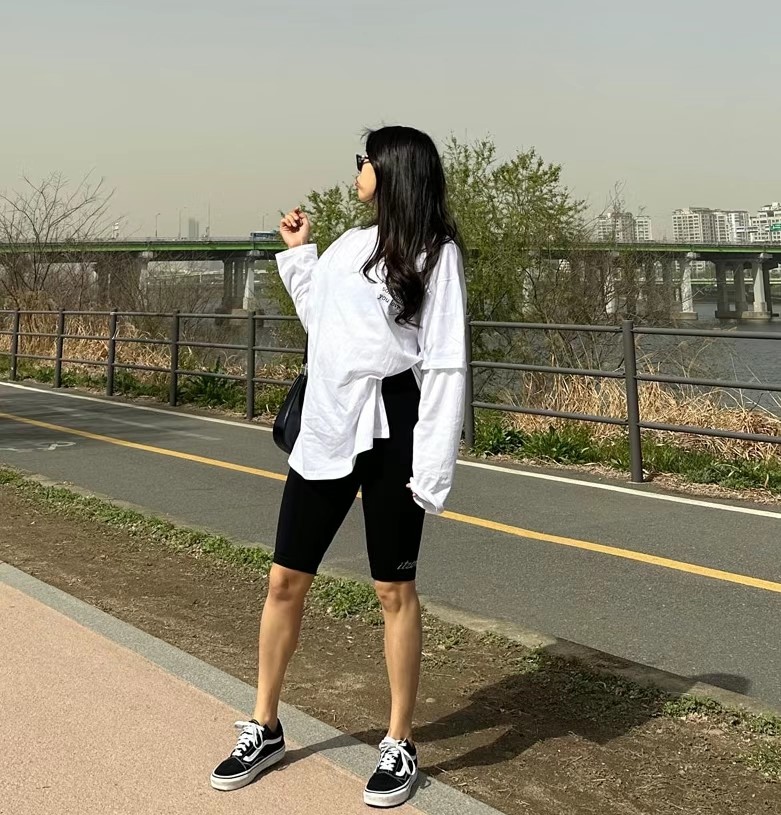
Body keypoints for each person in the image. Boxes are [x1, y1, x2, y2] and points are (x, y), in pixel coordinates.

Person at [210, 125, 467, 808]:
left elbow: (445, 362)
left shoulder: (435, 252)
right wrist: (300, 255)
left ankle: (400, 740)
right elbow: (321, 322)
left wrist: (432, 465)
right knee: (284, 579)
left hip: (395, 422)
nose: (356, 170)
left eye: (364, 160)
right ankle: (264, 724)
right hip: (328, 422)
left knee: (393, 590)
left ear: (391, 170)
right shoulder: (351, 244)